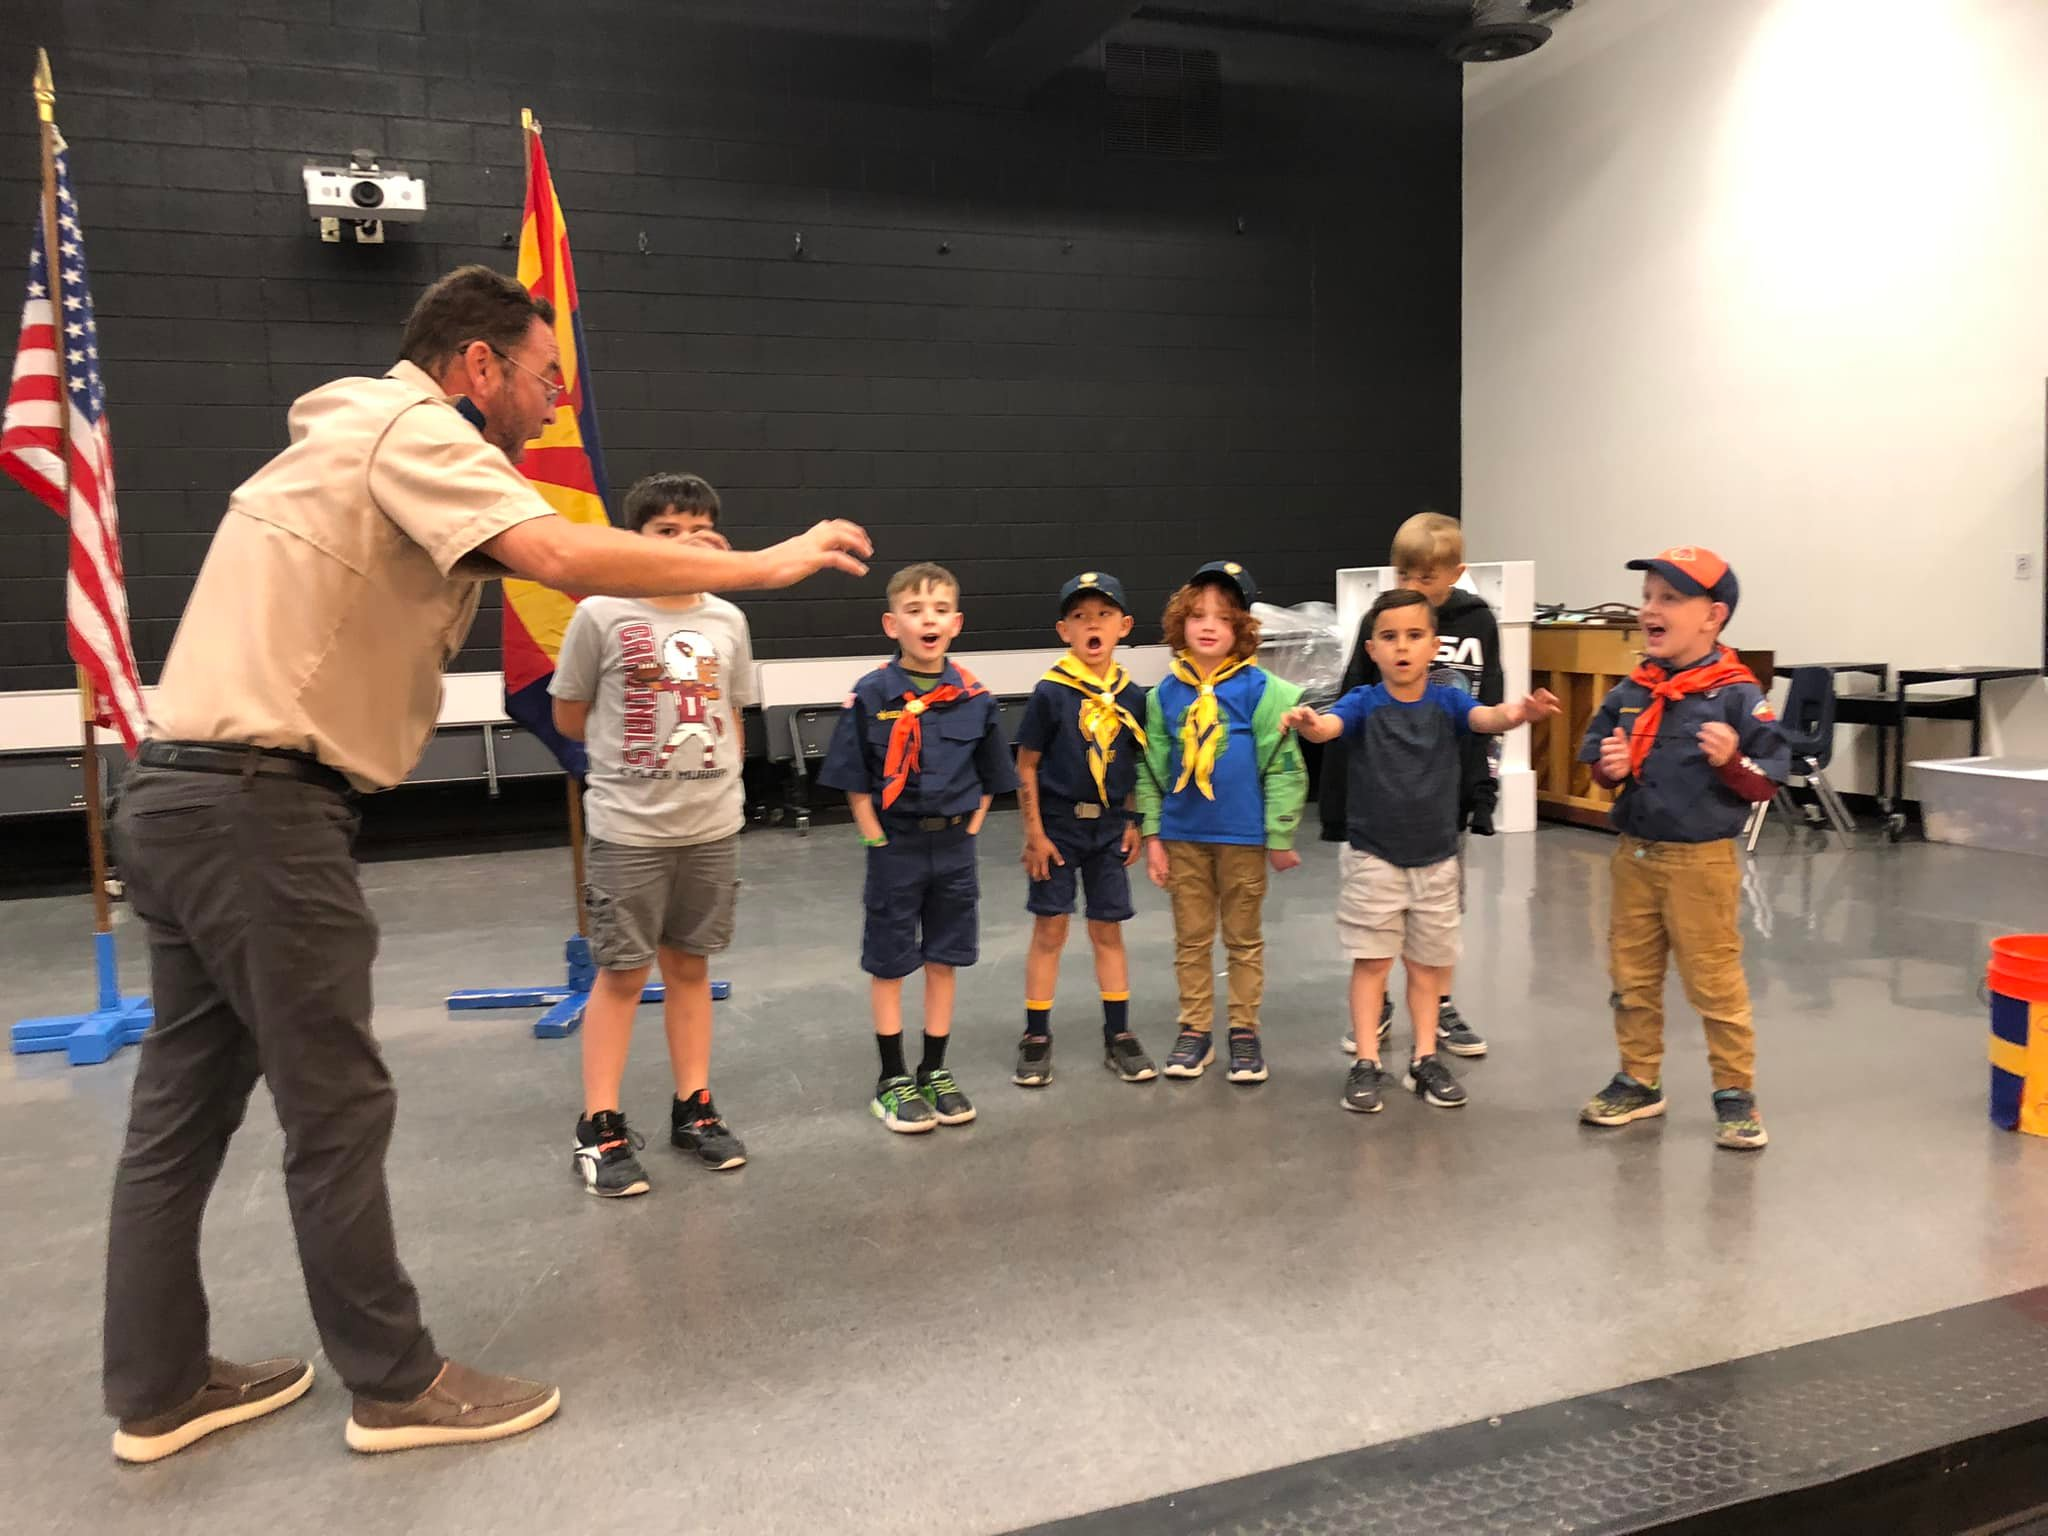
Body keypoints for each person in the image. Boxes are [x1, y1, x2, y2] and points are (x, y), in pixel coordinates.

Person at [104, 264, 871, 1463]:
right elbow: (559, 557)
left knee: (181, 1109)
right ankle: (394, 1383)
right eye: (543, 375)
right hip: (259, 807)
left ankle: (156, 1388)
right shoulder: (413, 430)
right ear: (477, 366)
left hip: (177, 794)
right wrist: (763, 564)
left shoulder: (347, 433)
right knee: (336, 1106)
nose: (556, 401)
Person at [550, 472, 756, 1198]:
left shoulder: (727, 619)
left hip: (711, 825)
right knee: (623, 973)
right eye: (665, 531)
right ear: (634, 540)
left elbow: (732, 710)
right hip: (630, 830)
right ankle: (600, 1125)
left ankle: (694, 1108)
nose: (683, 542)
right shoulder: (601, 614)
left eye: (697, 530)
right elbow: (570, 714)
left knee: (690, 966)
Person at [1284, 590, 1558, 1114]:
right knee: (1372, 963)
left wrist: (1520, 713)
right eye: (1389, 637)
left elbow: (1487, 719)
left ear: (1434, 646)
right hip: (1374, 860)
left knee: (1427, 967)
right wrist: (1309, 724)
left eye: (1414, 636)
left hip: (1436, 860)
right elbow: (1328, 727)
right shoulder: (1363, 702)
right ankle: (1367, 1061)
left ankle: (1425, 1058)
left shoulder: (1449, 702)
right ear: (1372, 649)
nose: (1402, 647)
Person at [1575, 547, 1787, 1151]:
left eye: (1670, 598)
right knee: (1631, 977)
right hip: (1635, 856)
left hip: (1702, 863)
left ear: (1713, 616)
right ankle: (1639, 1079)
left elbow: (1767, 781)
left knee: (1714, 981)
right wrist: (1610, 769)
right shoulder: (1631, 690)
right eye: (1647, 597)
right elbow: (1599, 764)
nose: (1650, 609)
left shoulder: (1737, 695)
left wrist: (1732, 761)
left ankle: (1734, 1093)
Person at [816, 563, 1018, 1133]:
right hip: (896, 847)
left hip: (954, 847)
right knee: (889, 960)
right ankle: (892, 1077)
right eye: (914, 610)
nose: (928, 620)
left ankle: (934, 1069)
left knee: (944, 957)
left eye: (939, 610)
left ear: (956, 623)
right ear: (892, 624)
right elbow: (854, 778)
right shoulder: (871, 694)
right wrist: (874, 836)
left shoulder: (974, 697)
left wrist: (971, 828)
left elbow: (992, 774)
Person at [1321, 511, 1501, 1060]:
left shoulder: (1479, 622)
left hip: (1444, 793)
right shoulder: (1380, 622)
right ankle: (1376, 1007)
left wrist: (1483, 789)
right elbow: (1351, 698)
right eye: (1404, 574)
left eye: (1427, 576)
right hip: (1381, 795)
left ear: (1456, 573)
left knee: (1438, 918)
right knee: (1376, 921)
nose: (1414, 585)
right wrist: (1338, 798)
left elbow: (1489, 706)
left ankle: (1439, 1004)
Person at [1136, 561, 1308, 1086]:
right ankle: (1195, 1029)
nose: (1208, 626)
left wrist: (1280, 834)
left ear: (1242, 629)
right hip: (1184, 837)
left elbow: (1283, 766)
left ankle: (1243, 1030)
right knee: (1190, 940)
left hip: (1242, 838)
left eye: (1223, 617)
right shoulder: (1164, 696)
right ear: (1180, 623)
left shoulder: (1262, 692)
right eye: (1198, 615)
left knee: (1243, 939)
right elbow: (1151, 770)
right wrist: (1153, 836)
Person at [1012, 571, 1153, 1089]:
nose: (1092, 625)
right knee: (1050, 928)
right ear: (1064, 630)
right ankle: (1036, 1034)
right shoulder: (1051, 693)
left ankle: (1118, 1033)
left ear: (1123, 626)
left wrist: (1133, 820)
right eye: (1080, 617)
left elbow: (1134, 763)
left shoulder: (1132, 696)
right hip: (1057, 827)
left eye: (1103, 615)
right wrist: (1034, 833)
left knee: (1107, 928)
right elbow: (1026, 765)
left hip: (1110, 828)